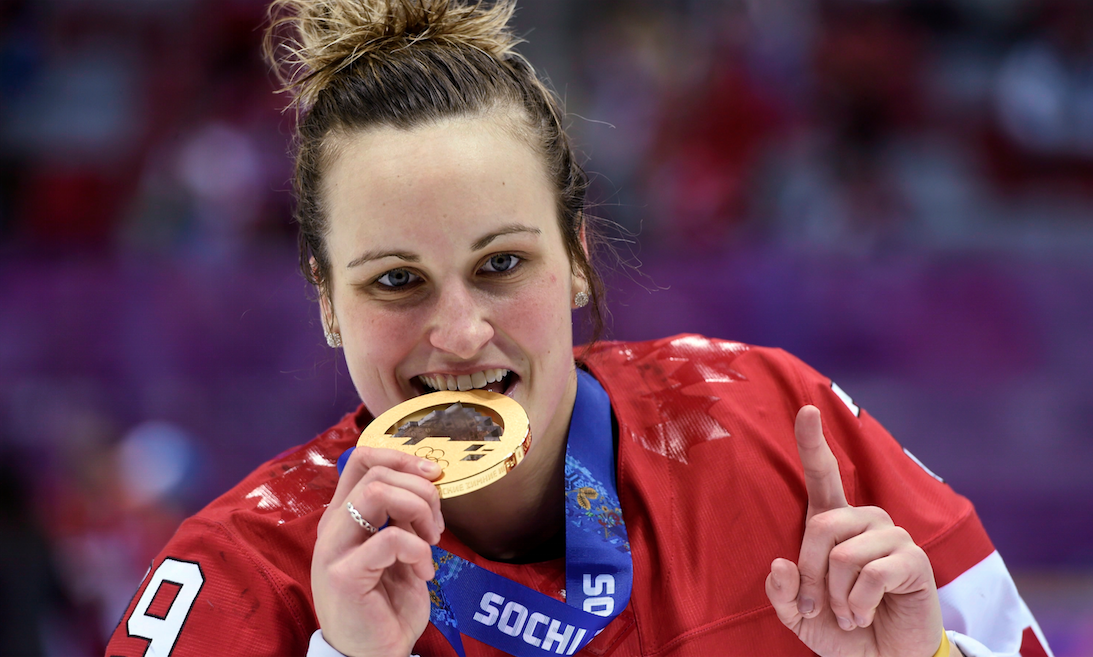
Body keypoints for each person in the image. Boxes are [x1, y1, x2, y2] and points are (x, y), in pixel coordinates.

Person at [104, 1, 1053, 656]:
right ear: (325, 300)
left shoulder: (770, 430)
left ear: (579, 258)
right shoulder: (232, 575)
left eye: (500, 264)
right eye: (397, 281)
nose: (461, 332)